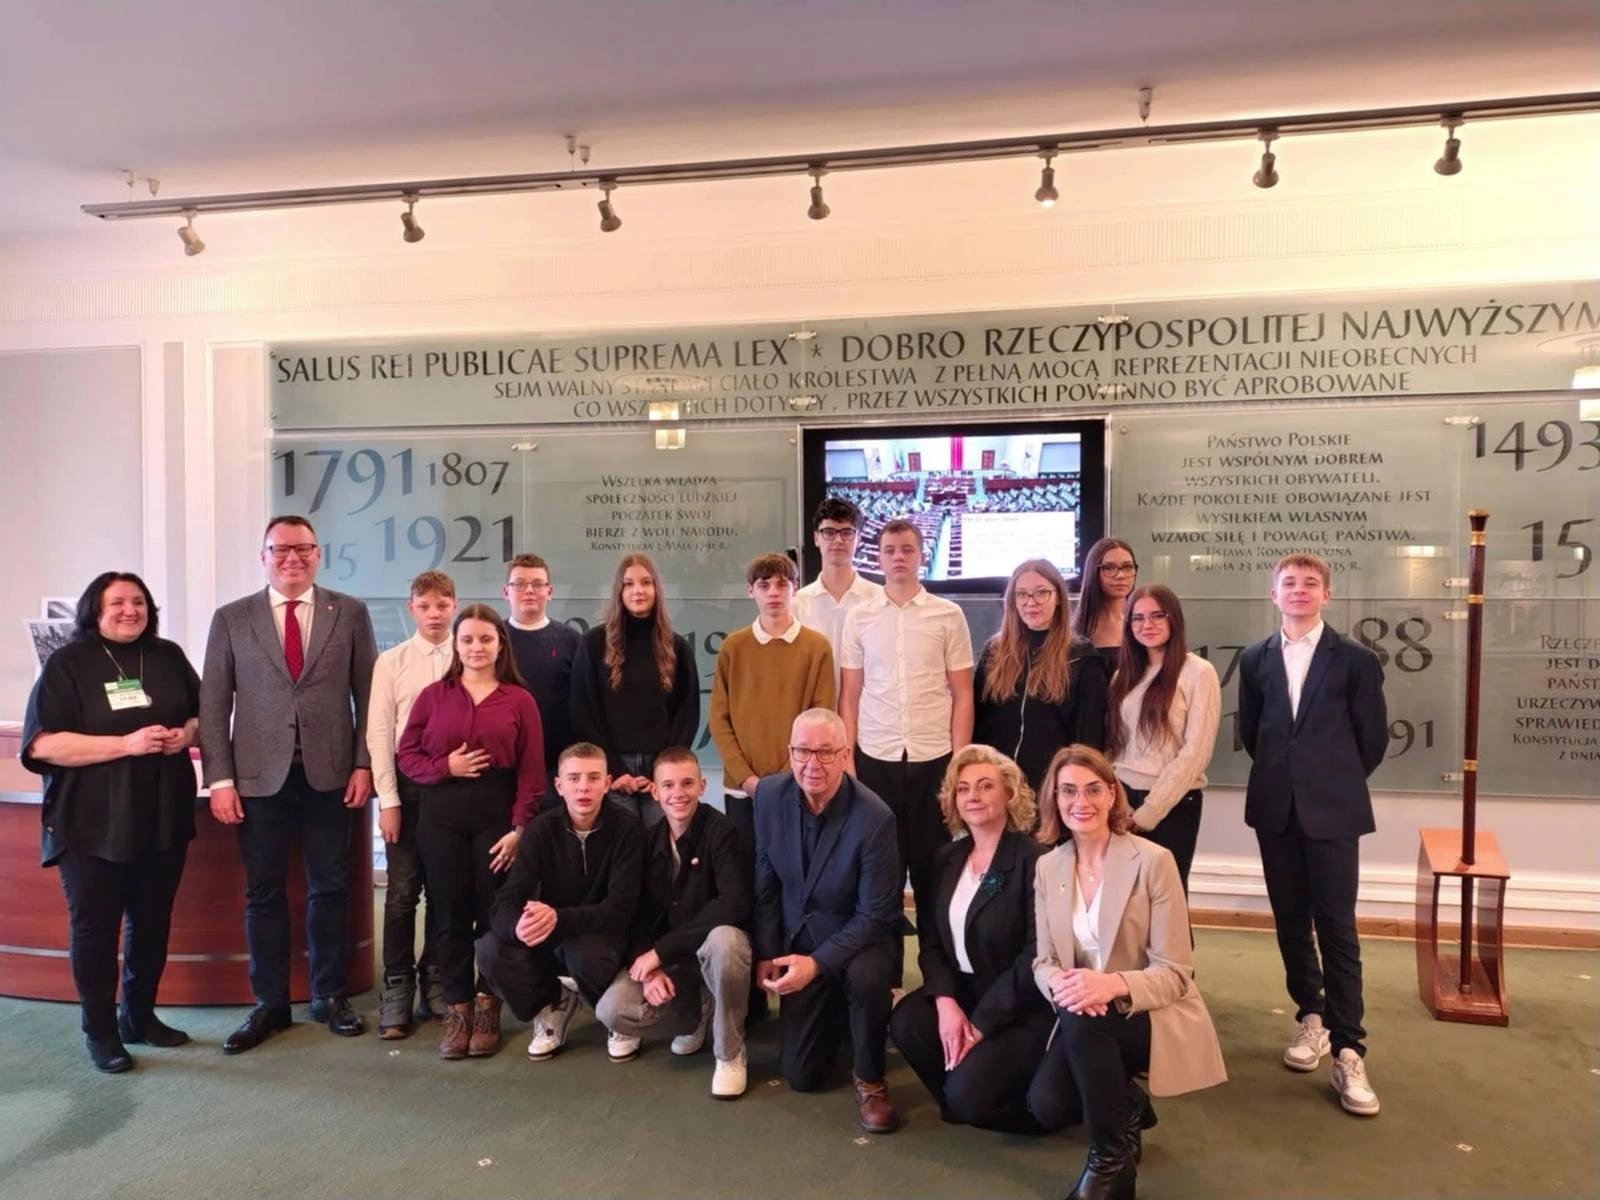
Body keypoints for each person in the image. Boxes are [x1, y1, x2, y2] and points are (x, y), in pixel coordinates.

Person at [199, 515, 378, 1053]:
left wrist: (364, 764)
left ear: (319, 555)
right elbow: (214, 705)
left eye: (303, 548)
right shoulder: (232, 618)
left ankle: (329, 995)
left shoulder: (349, 612)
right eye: (280, 549)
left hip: (331, 775)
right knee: (264, 893)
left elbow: (369, 697)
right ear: (263, 557)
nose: (292, 558)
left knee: (331, 888)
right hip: (257, 779)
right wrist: (220, 779)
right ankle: (270, 1003)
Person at [1028, 745, 1227, 1200]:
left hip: (1151, 1011)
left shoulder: (1153, 861)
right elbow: (1043, 962)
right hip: (1084, 1012)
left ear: (1112, 794)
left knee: (1082, 1018)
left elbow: (1176, 972)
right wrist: (1061, 983)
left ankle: (1109, 1162)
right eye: (1068, 791)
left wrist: (1109, 984)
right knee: (1046, 1105)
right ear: (1054, 798)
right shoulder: (1047, 867)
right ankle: (1130, 1103)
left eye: (1093, 789)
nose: (1081, 801)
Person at [20, 572, 201, 1073]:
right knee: (96, 930)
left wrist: (185, 735)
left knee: (152, 923)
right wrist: (126, 744)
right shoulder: (67, 664)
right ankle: (100, 1032)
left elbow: (201, 714)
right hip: (89, 823)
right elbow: (42, 744)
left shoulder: (167, 656)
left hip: (161, 816)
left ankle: (138, 1017)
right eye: (117, 602)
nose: (130, 610)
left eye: (138, 601)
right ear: (94, 611)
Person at [1238, 553, 1388, 1118]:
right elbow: (1254, 733)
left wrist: (1328, 783)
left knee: (1337, 928)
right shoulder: (1255, 659)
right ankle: (1313, 1017)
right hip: (1275, 810)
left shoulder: (1355, 660)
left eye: (1310, 583)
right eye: (1289, 583)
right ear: (1273, 594)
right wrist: (1291, 781)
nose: (1299, 590)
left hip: (1334, 813)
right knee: (1290, 922)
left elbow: (1371, 741)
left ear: (1327, 594)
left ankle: (1349, 1050)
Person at [397, 604, 544, 1060]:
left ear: (500, 645)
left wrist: (520, 828)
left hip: (496, 817)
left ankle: (486, 1004)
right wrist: (447, 766)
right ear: (456, 646)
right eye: (467, 640)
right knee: (448, 913)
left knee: (492, 910)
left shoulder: (519, 700)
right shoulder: (433, 696)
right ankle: (457, 1008)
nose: (476, 647)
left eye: (485, 639)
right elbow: (407, 756)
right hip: (441, 815)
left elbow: (532, 771)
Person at [888, 745, 1052, 1132]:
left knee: (968, 1100)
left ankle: (1044, 1104)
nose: (973, 796)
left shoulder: (1035, 861)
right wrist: (946, 1002)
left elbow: (1035, 954)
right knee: (907, 1021)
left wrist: (979, 1025)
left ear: (1009, 793)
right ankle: (967, 1089)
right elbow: (931, 943)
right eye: (963, 788)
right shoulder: (947, 858)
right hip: (964, 990)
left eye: (985, 786)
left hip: (1019, 1003)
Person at [754, 709, 903, 1133]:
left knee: (867, 978)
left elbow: (875, 915)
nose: (811, 764)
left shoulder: (875, 817)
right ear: (790, 752)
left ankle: (871, 1080)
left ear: (844, 755)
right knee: (802, 1076)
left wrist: (816, 965)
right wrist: (768, 952)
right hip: (799, 939)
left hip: (858, 939)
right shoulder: (769, 796)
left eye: (825, 752)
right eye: (802, 751)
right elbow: (766, 881)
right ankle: (842, 1016)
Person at [839, 518, 974, 952]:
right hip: (875, 759)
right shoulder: (858, 617)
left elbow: (963, 694)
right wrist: (848, 759)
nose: (898, 557)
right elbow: (850, 695)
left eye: (907, 549)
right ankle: (887, 974)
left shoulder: (948, 615)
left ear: (921, 555)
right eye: (890, 550)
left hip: (934, 758)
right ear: (878, 558)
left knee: (935, 872)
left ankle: (940, 973)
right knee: (882, 875)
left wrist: (960, 763)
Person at [594, 747, 752, 1097]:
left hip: (713, 954)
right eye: (667, 785)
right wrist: (650, 967)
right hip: (673, 964)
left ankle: (730, 1052)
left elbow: (734, 904)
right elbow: (634, 913)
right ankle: (694, 1013)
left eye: (687, 783)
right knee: (612, 1010)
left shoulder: (723, 833)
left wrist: (661, 951)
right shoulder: (647, 841)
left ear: (702, 786)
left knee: (726, 940)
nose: (677, 793)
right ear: (654, 791)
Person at [475, 742, 645, 1062]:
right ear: (559, 785)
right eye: (574, 778)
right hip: (553, 934)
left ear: (608, 783)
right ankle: (553, 1004)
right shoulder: (541, 829)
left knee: (582, 953)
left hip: (603, 937)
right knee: (489, 949)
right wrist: (518, 927)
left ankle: (616, 1017)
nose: (583, 787)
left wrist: (557, 918)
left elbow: (622, 908)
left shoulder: (628, 829)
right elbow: (507, 899)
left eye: (593, 778)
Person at [366, 569, 456, 1036]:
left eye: (442, 605)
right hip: (407, 786)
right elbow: (379, 733)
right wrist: (388, 799)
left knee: (444, 889)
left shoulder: (468, 656)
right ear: (412, 609)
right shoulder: (392, 662)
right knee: (402, 891)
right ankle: (397, 985)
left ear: (454, 606)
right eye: (425, 606)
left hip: (455, 788)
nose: (434, 614)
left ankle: (434, 978)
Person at [1105, 586, 1220, 895]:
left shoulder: (1198, 672)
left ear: (1174, 620)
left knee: (1167, 899)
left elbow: (1196, 752)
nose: (1147, 625)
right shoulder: (1123, 676)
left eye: (1158, 615)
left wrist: (1149, 812)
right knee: (1125, 899)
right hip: (1123, 801)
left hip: (1174, 804)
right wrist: (1119, 803)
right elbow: (1113, 746)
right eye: (1138, 618)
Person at [571, 553, 699, 828]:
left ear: (657, 589)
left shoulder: (677, 647)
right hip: (611, 771)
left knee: (661, 847)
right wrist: (613, 770)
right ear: (619, 591)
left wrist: (662, 770)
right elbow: (583, 711)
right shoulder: (593, 644)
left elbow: (687, 714)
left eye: (646, 582)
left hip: (662, 775)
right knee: (621, 848)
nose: (638, 590)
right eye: (628, 584)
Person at [973, 557, 1110, 797]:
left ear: (1058, 597)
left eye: (1041, 593)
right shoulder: (994, 652)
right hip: (996, 787)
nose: (1031, 602)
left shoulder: (1081, 657)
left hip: (1050, 790)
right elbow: (978, 722)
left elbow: (1088, 740)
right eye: (1022, 594)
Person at [502, 553, 582, 811]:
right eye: (519, 584)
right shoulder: (493, 640)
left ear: (550, 591)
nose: (529, 590)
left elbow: (583, 704)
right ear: (506, 592)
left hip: (558, 768)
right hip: (504, 769)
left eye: (537, 584)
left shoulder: (571, 640)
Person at [793, 496, 884, 691]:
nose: (838, 540)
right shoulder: (797, 603)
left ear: (858, 538)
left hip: (868, 707)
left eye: (847, 532)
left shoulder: (880, 599)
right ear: (816, 538)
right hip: (816, 706)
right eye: (829, 532)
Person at [1070, 538, 1140, 668]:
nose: (1120, 575)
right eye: (1109, 568)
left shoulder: (1144, 622)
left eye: (1127, 567)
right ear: (1093, 572)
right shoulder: (1077, 629)